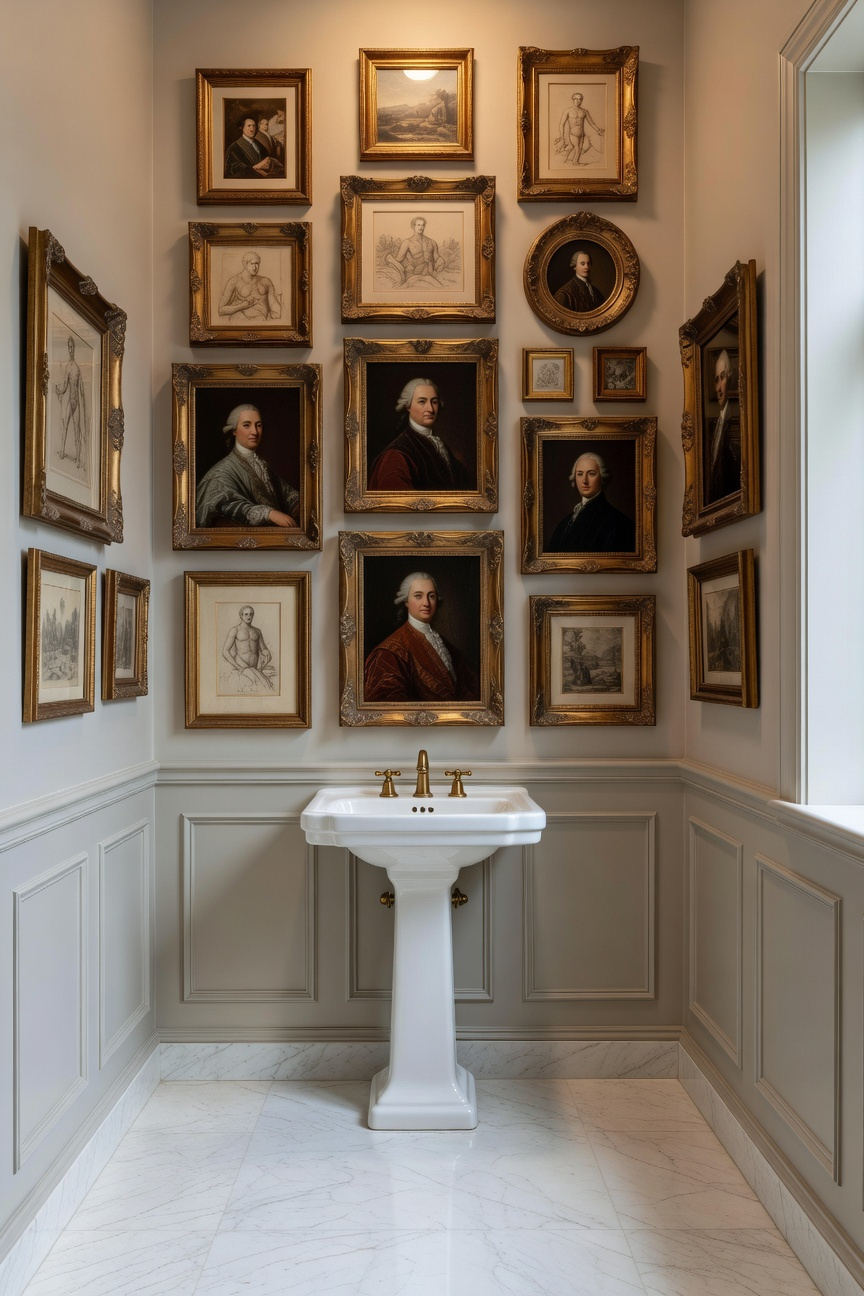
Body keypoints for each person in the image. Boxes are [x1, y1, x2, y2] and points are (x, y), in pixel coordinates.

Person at [364, 572, 479, 703]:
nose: (426, 603)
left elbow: (470, 685)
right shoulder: (389, 652)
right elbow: (388, 701)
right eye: (418, 596)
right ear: (406, 601)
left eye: (431, 596)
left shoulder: (444, 644)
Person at [195, 404, 299, 528]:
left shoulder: (262, 465)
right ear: (234, 430)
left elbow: (286, 493)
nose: (254, 432)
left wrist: (300, 503)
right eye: (246, 425)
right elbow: (225, 503)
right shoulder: (221, 472)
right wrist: (268, 513)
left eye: (258, 425)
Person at [368, 377, 471, 492]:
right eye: (422, 402)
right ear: (408, 406)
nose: (430, 409)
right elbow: (397, 499)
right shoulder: (396, 454)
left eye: (434, 402)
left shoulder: (440, 446)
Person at [547, 452, 635, 553]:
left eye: (591, 474)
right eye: (580, 474)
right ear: (574, 477)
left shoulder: (619, 523)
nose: (585, 480)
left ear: (602, 477)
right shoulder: (565, 522)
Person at [705, 348, 741, 502]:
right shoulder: (716, 423)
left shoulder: (734, 423)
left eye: (723, 377)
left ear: (730, 379)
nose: (719, 387)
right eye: (716, 380)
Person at [221, 605, 275, 692]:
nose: (248, 616)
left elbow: (263, 648)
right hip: (242, 667)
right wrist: (238, 667)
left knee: (267, 686)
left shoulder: (257, 631)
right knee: (265, 686)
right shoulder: (235, 630)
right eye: (246, 614)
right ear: (241, 615)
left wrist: (266, 652)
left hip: (254, 668)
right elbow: (225, 651)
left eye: (251, 614)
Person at [217, 251, 282, 322]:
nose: (255, 267)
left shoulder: (266, 282)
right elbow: (221, 310)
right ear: (245, 264)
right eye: (252, 264)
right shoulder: (234, 281)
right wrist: (243, 305)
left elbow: (274, 304)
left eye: (257, 263)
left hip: (261, 321)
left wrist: (278, 317)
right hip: (240, 320)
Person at [55, 335, 87, 469]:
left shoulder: (77, 369)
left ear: (74, 348)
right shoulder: (68, 367)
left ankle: (78, 459)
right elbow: (65, 387)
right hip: (70, 402)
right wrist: (59, 390)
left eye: (72, 347)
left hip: (76, 403)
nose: (71, 349)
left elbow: (81, 389)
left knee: (77, 429)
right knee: (65, 426)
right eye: (69, 347)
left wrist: (84, 405)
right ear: (68, 349)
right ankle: (62, 452)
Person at [384, 216, 444, 286]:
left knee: (439, 287)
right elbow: (398, 260)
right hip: (413, 277)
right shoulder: (407, 242)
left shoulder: (432, 242)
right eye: (418, 225)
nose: (421, 227)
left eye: (422, 225)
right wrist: (390, 259)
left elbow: (437, 258)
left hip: (429, 276)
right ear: (413, 226)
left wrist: (440, 263)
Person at [224, 114, 283, 180]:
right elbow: (231, 170)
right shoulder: (234, 148)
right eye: (249, 126)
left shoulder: (258, 143)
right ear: (242, 128)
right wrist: (254, 168)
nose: (252, 129)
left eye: (253, 126)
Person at [555, 92, 604, 166]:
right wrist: (562, 136)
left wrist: (598, 130)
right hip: (573, 134)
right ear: (573, 100)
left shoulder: (584, 111)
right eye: (576, 99)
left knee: (579, 149)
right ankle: (574, 162)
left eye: (580, 99)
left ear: (581, 100)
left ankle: (574, 162)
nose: (578, 101)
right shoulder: (568, 111)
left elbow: (591, 122)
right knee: (577, 148)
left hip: (581, 134)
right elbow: (561, 124)